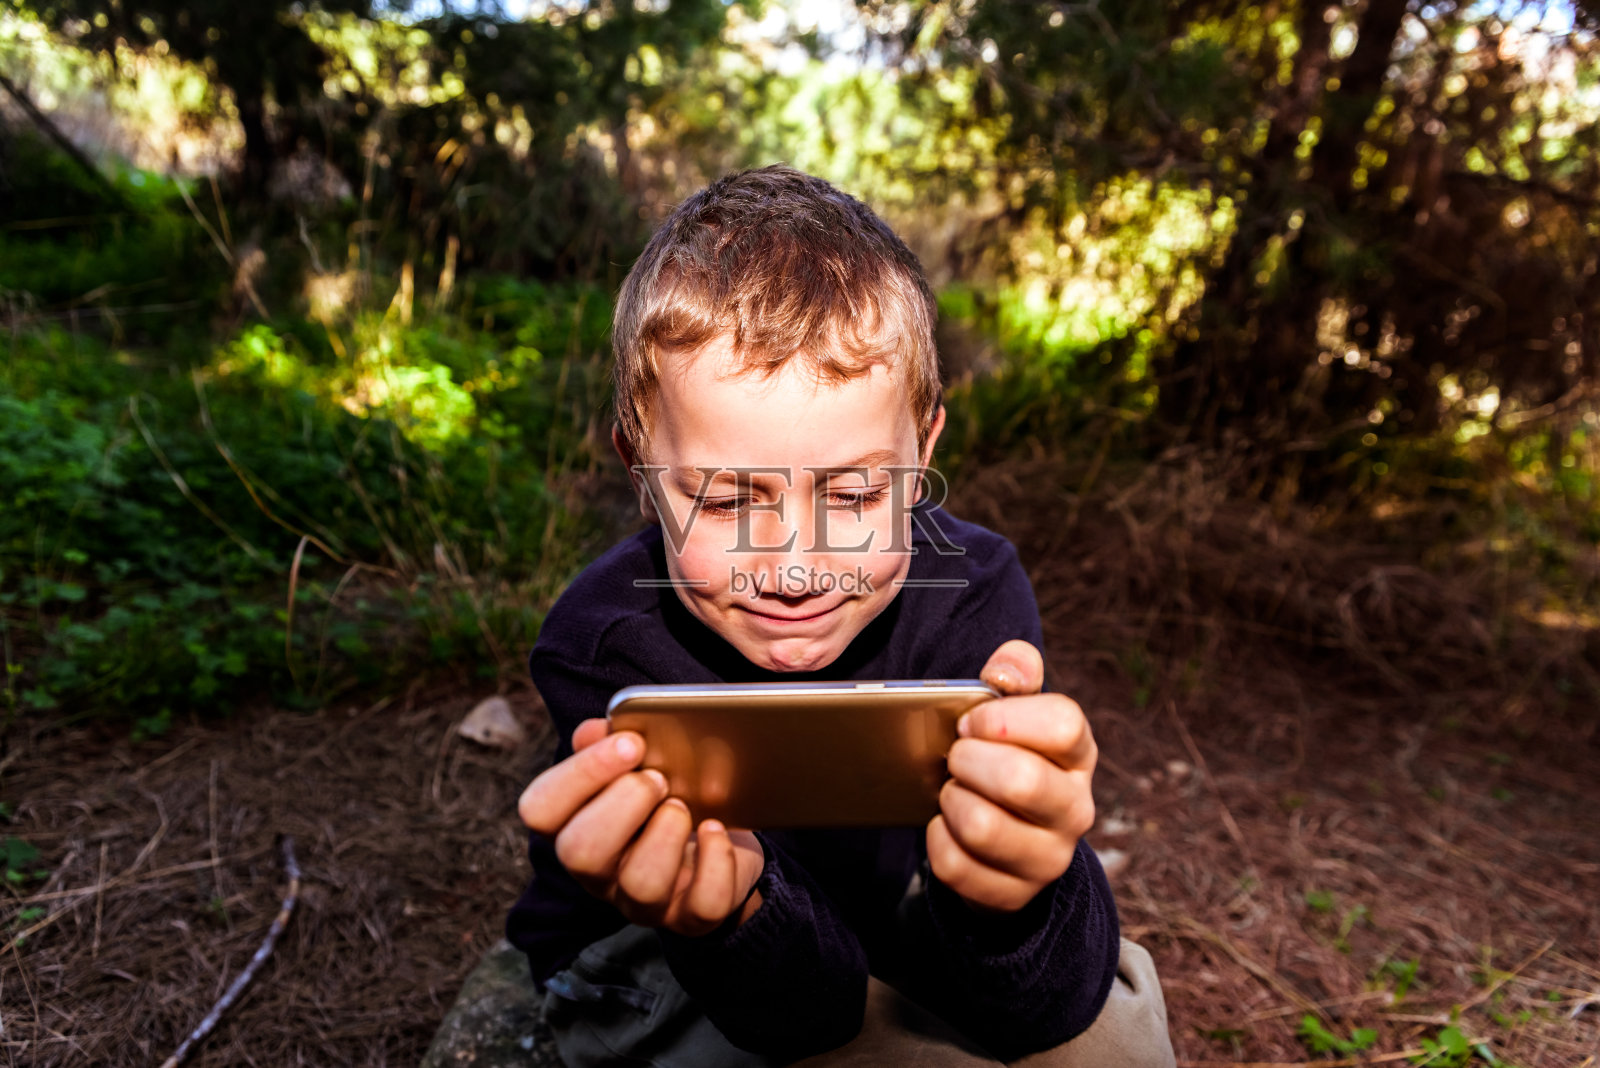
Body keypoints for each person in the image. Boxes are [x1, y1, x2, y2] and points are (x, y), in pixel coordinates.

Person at [506, 164, 1176, 1067]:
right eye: (725, 501)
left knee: (1116, 1040)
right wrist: (734, 914)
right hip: (667, 945)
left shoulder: (975, 594)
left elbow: (1045, 1002)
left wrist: (1016, 896)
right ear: (640, 470)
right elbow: (804, 1018)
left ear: (923, 450)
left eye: (856, 495)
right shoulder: (603, 643)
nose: (794, 569)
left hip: (886, 906)